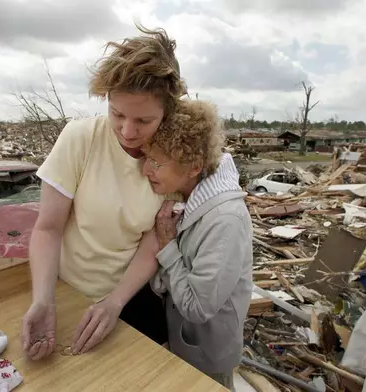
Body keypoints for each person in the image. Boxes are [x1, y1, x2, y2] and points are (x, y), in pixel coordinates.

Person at [20, 24, 188, 361]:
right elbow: (48, 228)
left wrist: (115, 301)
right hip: (66, 291)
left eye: (144, 120)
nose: (127, 131)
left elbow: (153, 238)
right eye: (118, 114)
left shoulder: (174, 158)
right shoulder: (80, 139)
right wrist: (44, 300)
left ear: (167, 113)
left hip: (130, 292)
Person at [143, 99, 253, 390]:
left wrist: (168, 245)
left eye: (156, 162)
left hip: (208, 358)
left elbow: (196, 307)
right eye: (147, 158)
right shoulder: (192, 199)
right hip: (186, 346)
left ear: (193, 167)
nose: (146, 170)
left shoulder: (225, 221)